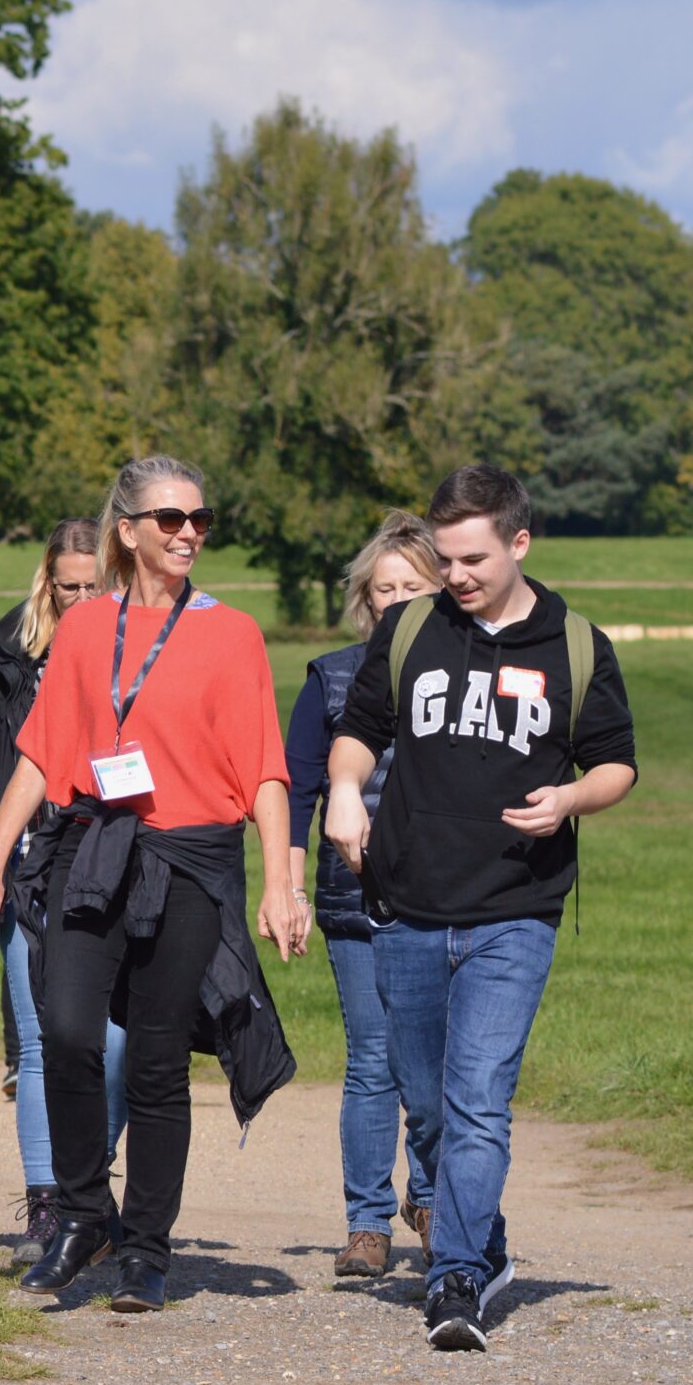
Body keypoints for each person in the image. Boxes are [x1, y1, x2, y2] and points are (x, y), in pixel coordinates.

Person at [0, 455, 302, 1315]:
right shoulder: (85, 630)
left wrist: (279, 882)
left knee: (155, 1059)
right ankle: (84, 1215)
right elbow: (42, 753)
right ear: (128, 530)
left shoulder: (233, 634)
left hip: (189, 861)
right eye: (170, 519)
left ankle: (147, 1249)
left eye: (200, 519)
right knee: (68, 1030)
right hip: (96, 846)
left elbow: (266, 767)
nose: (188, 531)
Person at [326, 465, 637, 1353]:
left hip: (515, 908)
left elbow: (616, 761)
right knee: (424, 1103)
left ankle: (457, 1271)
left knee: (477, 1099)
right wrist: (347, 790)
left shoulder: (575, 644)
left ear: (518, 542)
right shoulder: (413, 625)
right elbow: (360, 730)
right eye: (446, 558)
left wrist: (571, 801)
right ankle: (483, 1233)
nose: (456, 575)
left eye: (472, 558)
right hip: (410, 905)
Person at [0, 522, 129, 1265]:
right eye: (68, 585)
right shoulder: (8, 666)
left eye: (94, 585)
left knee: (109, 1040)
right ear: (46, 584)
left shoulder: (133, 653)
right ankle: (49, 1203)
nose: (81, 598)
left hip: (108, 864)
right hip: (24, 870)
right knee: (41, 1041)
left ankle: (90, 1185)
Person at [289, 513, 440, 1280]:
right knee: (374, 1058)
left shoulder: (462, 676)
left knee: (437, 1064)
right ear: (365, 600)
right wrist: (284, 887)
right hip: (356, 899)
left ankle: (436, 1200)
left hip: (446, 897)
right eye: (386, 589)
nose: (398, 600)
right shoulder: (332, 677)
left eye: (414, 587)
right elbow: (297, 788)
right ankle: (366, 1222)